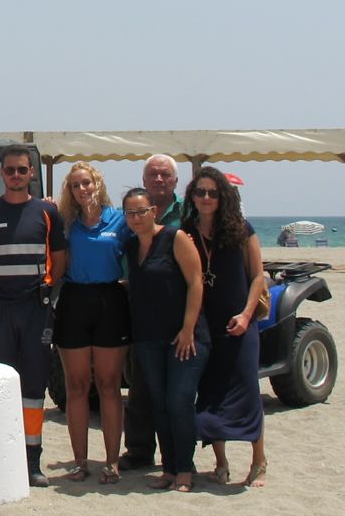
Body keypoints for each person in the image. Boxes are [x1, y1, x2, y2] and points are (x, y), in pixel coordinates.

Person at [0, 143, 65, 487]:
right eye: (9, 170)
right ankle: (1, 454)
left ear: (31, 173)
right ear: (2, 173)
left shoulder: (46, 213)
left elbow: (59, 258)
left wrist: (44, 290)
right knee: (1, 381)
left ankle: (32, 460)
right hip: (1, 308)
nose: (15, 175)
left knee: (34, 384)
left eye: (21, 170)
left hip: (36, 308)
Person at [182, 166, 269, 488]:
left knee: (248, 391)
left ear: (223, 196)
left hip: (241, 324)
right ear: (192, 196)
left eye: (212, 193)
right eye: (200, 192)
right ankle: (221, 462)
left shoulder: (241, 229)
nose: (206, 198)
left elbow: (258, 276)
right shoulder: (187, 231)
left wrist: (247, 316)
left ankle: (259, 460)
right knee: (210, 394)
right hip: (206, 326)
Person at [123, 186, 208, 493]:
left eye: (141, 211)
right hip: (148, 338)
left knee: (180, 401)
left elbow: (196, 282)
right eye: (130, 213)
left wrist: (188, 329)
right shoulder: (132, 247)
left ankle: (185, 470)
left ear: (154, 211)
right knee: (159, 404)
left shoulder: (175, 238)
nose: (136, 218)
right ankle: (170, 468)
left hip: (185, 337)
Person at [53, 162, 131, 484]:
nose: (81, 189)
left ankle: (112, 462)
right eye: (75, 185)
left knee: (109, 385)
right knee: (76, 386)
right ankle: (80, 462)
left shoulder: (120, 220)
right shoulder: (66, 223)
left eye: (86, 182)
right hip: (74, 300)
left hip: (110, 301)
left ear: (97, 183)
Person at [121, 152, 186, 471]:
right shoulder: (132, 214)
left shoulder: (187, 213)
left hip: (182, 314)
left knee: (179, 391)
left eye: (165, 175)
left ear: (176, 181)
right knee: (141, 388)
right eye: (153, 175)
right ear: (144, 180)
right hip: (143, 313)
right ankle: (139, 451)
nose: (159, 179)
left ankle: (179, 458)